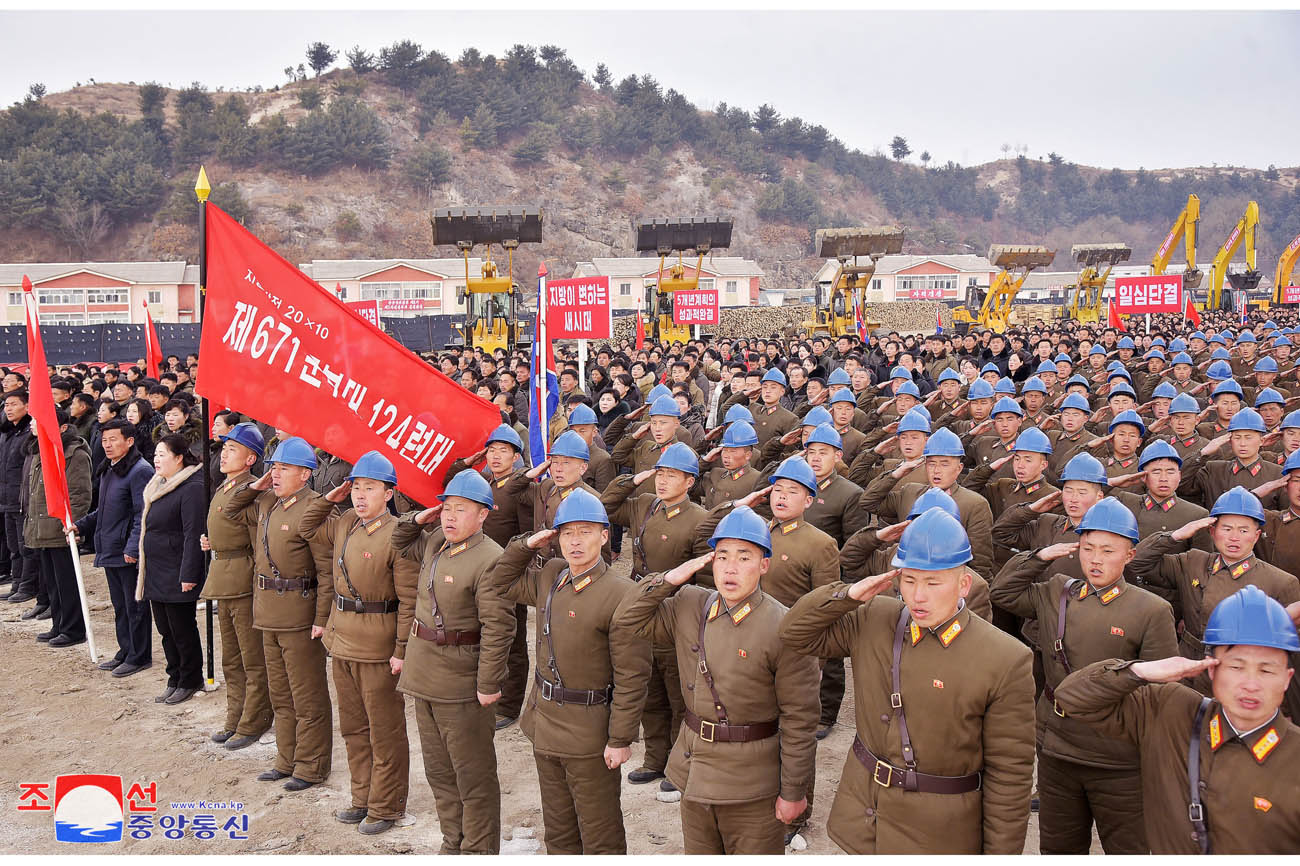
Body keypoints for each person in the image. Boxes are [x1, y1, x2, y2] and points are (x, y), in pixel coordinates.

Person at [779, 507, 1036, 854]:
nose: (918, 596)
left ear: (964, 583)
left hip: (937, 833)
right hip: (863, 818)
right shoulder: (875, 617)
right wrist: (848, 595)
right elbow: (795, 633)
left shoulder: (1005, 658)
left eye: (933, 582)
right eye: (909, 580)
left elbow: (1009, 778)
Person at [615, 506, 820, 854]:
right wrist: (668, 579)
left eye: (744, 557)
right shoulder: (690, 605)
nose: (731, 568)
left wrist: (793, 791)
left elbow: (800, 720)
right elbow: (627, 618)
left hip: (751, 781)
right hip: (694, 768)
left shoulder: (784, 626)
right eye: (722, 556)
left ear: (764, 565)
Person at [990, 498, 1178, 853]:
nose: (1095, 559)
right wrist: (1040, 557)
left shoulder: (1151, 610)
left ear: (1130, 556)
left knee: (1128, 851)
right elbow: (1002, 592)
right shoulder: (1058, 592)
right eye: (1088, 548)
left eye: (1108, 550)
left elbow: (1161, 692)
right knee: (1059, 849)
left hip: (1117, 758)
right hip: (1056, 749)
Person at [1053, 585, 1300, 853]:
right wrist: (1138, 670)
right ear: (1211, 669)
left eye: (1266, 670)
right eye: (1236, 667)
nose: (1250, 684)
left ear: (1286, 679)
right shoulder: (1170, 712)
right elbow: (1071, 697)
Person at [487, 488, 651, 854]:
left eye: (585, 531)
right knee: (558, 830)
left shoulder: (621, 593)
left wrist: (620, 738)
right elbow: (502, 581)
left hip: (589, 731)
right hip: (545, 722)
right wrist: (526, 545)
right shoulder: (553, 574)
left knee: (600, 832)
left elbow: (632, 676)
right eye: (567, 532)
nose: (575, 542)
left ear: (605, 535)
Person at [391, 469, 514, 853]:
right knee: (440, 772)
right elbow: (399, 539)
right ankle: (453, 841)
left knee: (472, 776)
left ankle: (478, 850)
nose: (450, 516)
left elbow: (499, 628)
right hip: (424, 673)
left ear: (482, 515)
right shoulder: (436, 542)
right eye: (446, 507)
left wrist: (488, 683)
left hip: (461, 681)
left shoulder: (491, 558)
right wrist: (418, 517)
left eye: (461, 509)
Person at [299, 451, 421, 836]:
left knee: (383, 729)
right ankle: (363, 797)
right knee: (354, 728)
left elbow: (408, 601)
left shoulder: (397, 533)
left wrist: (401, 649)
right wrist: (329, 497)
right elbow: (306, 526)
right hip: (342, 638)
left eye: (370, 488)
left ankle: (387, 805)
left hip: (377, 644)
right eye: (356, 487)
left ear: (389, 493)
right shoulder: (346, 522)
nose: (360, 495)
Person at [224, 436, 335, 792]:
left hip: (299, 612)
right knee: (281, 694)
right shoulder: (268, 501)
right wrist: (256, 484)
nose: (275, 474)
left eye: (284, 468)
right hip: (267, 611)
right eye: (273, 467)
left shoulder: (315, 507)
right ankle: (286, 759)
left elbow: (326, 571)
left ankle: (312, 765)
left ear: (305, 474)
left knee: (307, 695)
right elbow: (231, 509)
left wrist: (321, 618)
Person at [600, 442, 712, 787]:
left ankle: (680, 765)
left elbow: (706, 578)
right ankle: (655, 757)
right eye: (661, 473)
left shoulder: (700, 520)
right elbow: (605, 507)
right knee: (649, 690)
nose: (663, 481)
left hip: (676, 613)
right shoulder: (645, 506)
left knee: (679, 693)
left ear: (690, 482)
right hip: (642, 608)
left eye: (672, 475)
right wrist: (634, 480)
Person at [199, 422, 272, 748]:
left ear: (250, 459)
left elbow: (259, 542)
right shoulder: (226, 488)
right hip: (222, 577)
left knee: (251, 658)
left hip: (242, 579)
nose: (225, 454)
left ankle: (254, 720)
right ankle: (236, 716)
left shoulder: (251, 493)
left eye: (233, 449)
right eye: (224, 448)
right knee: (231, 658)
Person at [135, 433, 207, 704]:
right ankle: (174, 676)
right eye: (155, 454)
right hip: (156, 568)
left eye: (162, 454)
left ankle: (190, 678)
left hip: (177, 570)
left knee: (182, 629)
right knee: (165, 629)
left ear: (179, 458)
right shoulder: (158, 484)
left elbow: (193, 534)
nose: (156, 459)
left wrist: (189, 574)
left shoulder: (190, 487)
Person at [26, 408, 93, 644]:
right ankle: (59, 624)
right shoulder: (39, 450)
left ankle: (73, 629)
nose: (33, 425)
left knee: (66, 582)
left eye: (39, 421)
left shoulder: (74, 453)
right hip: (42, 526)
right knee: (52, 583)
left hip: (60, 529)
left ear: (62, 427)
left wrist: (72, 525)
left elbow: (80, 495)